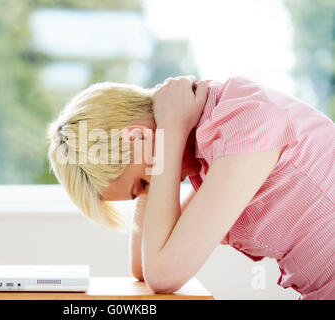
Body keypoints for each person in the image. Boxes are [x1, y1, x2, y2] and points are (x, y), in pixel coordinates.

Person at [47, 75, 334, 299]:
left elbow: (163, 274)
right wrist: (166, 135)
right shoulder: (208, 151)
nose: (155, 190)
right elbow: (143, 268)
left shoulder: (242, 121)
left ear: (137, 139)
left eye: (142, 185)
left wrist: (168, 132)